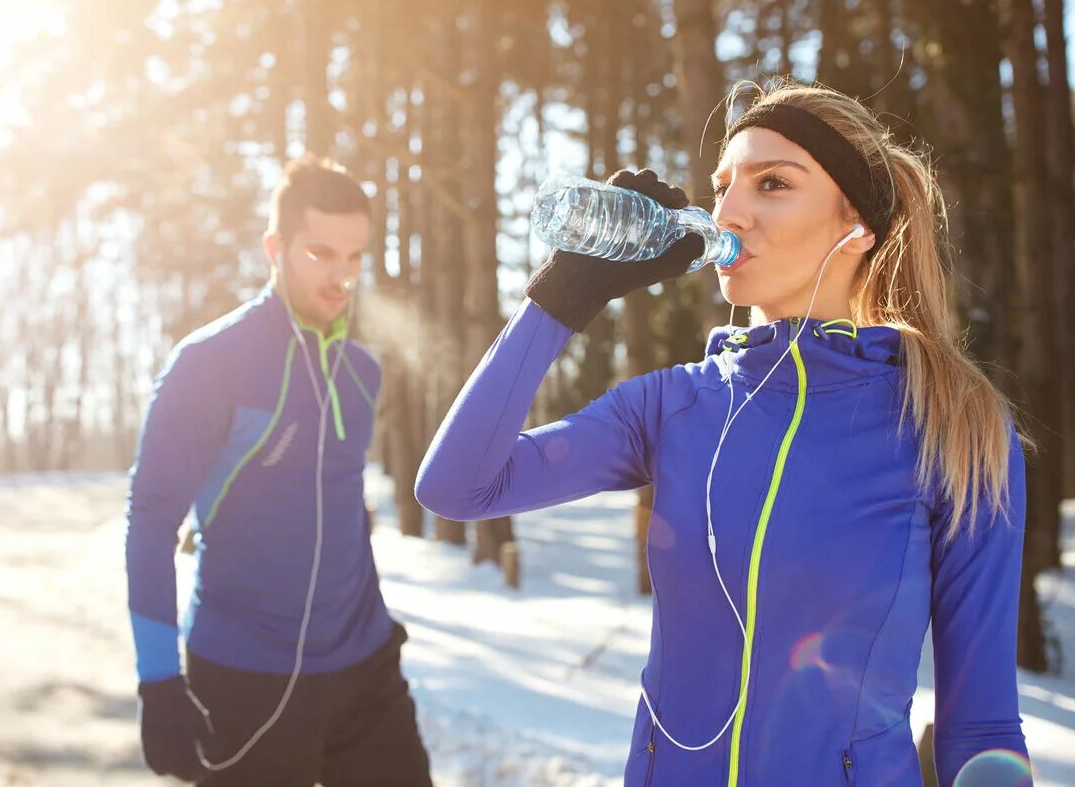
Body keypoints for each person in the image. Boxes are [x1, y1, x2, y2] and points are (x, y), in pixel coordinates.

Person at [415, 81, 1031, 786]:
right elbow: (455, 486)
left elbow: (980, 724)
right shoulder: (674, 404)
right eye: (723, 185)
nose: (730, 210)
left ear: (855, 225)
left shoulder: (952, 422)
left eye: (772, 184)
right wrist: (563, 296)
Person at [126, 155, 433, 786]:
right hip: (246, 681)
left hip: (365, 673)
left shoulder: (361, 373)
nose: (342, 277)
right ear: (276, 247)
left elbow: (333, 502)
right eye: (321, 253)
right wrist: (159, 684)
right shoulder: (210, 365)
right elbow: (151, 524)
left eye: (355, 257)